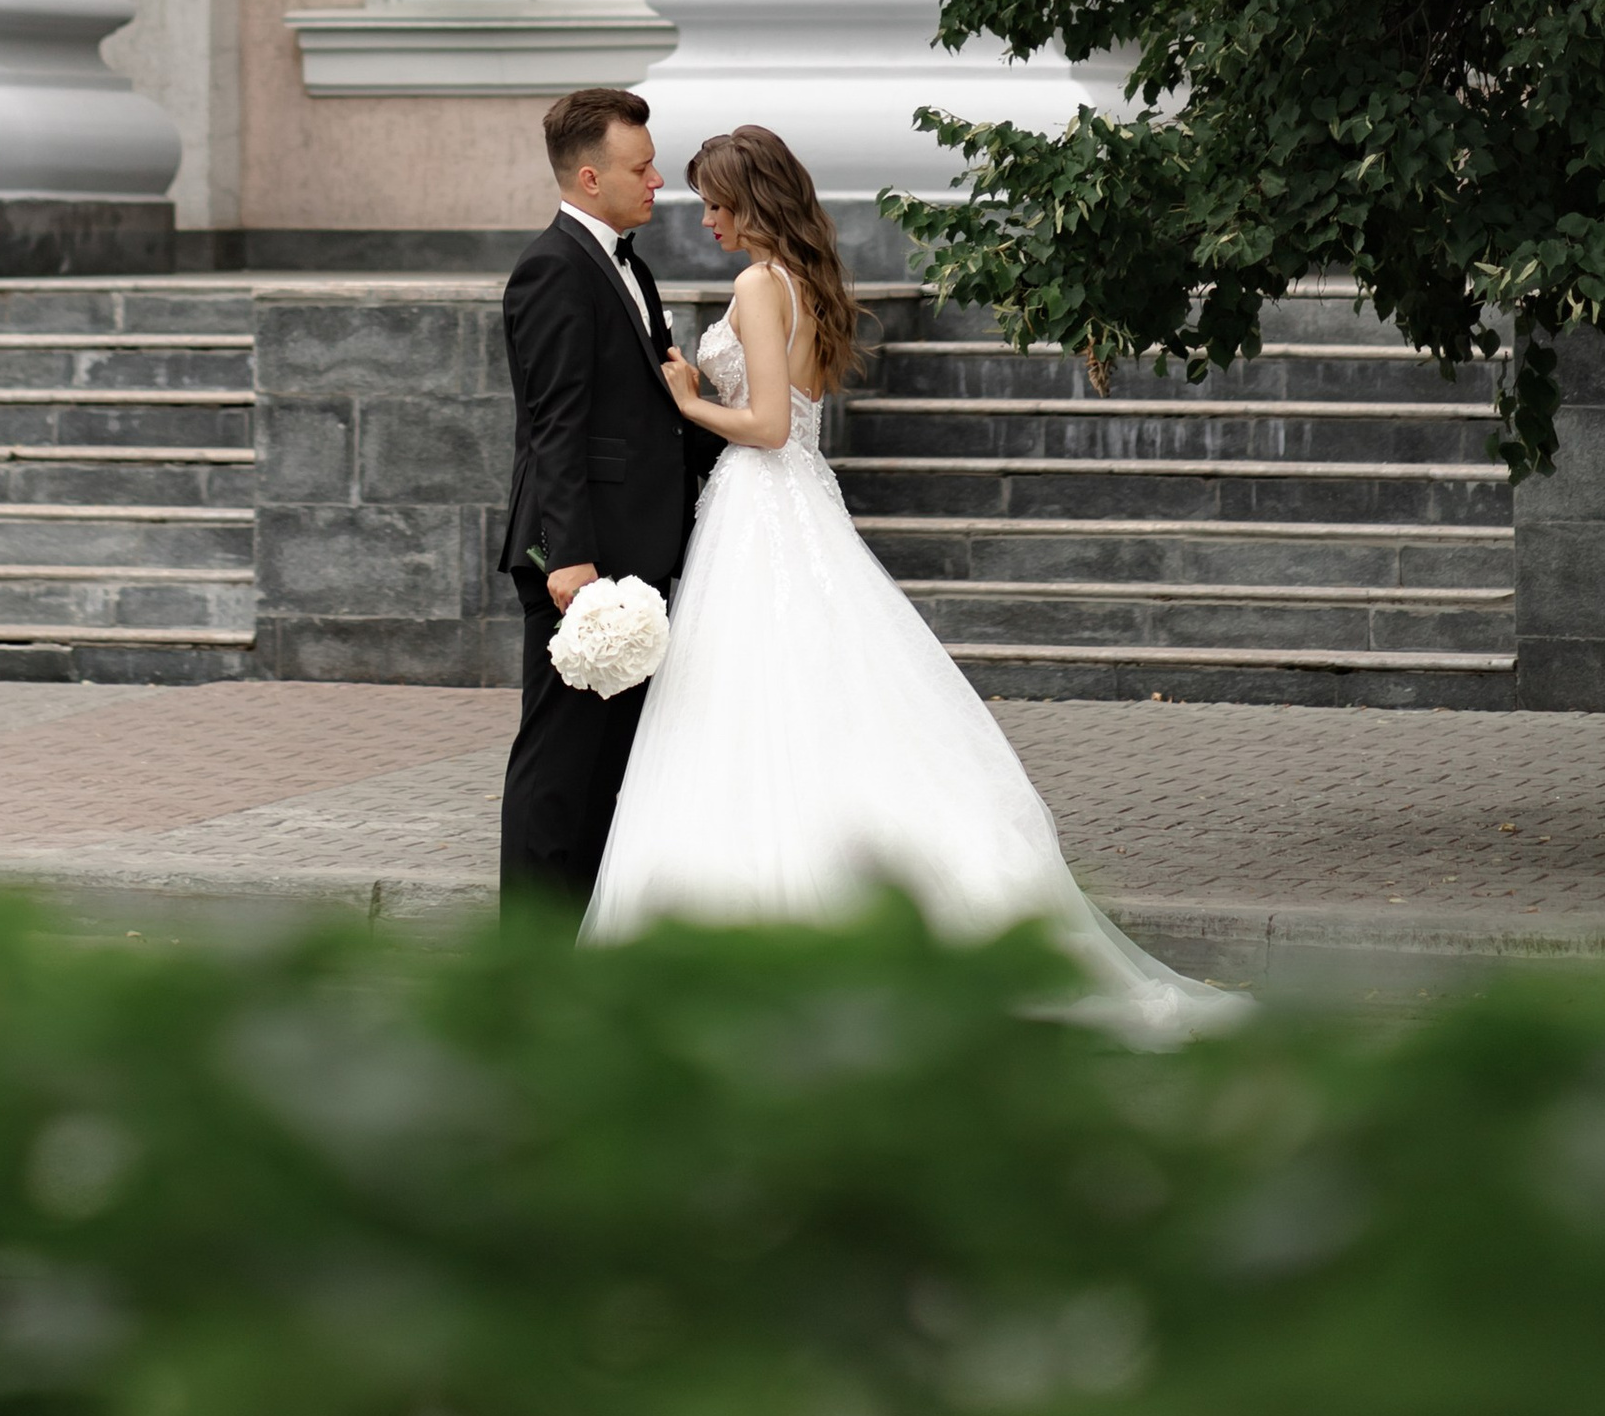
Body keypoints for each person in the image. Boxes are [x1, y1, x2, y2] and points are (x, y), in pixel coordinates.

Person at [583, 123, 1237, 1039]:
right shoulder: (808, 281)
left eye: (721, 204)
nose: (711, 221)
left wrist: (690, 396)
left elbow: (770, 425)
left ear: (754, 202)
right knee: (816, 697)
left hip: (764, 503)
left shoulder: (758, 285)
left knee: (754, 700)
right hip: (796, 503)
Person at [497, 88, 720, 906]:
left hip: (635, 549)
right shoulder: (552, 269)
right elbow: (555, 426)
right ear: (590, 178)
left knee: (608, 769)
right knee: (558, 765)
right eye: (642, 166)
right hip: (582, 561)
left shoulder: (631, 263)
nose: (658, 179)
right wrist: (571, 560)